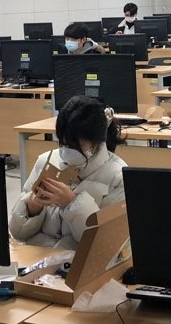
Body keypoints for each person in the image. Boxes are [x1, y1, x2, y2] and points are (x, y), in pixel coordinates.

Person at [10, 95, 125, 248]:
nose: (67, 150)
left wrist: (72, 203)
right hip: (40, 257)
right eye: (63, 143)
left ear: (97, 142)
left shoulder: (118, 177)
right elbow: (18, 233)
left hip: (78, 259)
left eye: (77, 146)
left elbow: (105, 244)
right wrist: (31, 207)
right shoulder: (46, 161)